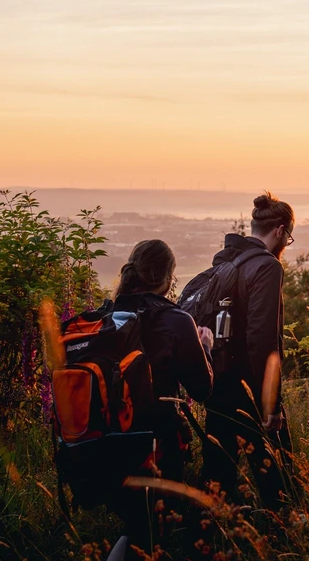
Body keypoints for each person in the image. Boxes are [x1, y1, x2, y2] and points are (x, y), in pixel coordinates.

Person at [107, 239, 214, 558]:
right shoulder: (178, 321)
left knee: (138, 527)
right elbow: (202, 389)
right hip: (157, 448)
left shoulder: (107, 317)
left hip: (107, 444)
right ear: (168, 277)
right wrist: (205, 346)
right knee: (151, 533)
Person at [201, 192, 295, 511]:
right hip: (248, 390)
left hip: (218, 382)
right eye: (289, 237)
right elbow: (262, 340)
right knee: (278, 475)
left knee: (218, 475)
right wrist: (271, 403)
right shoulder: (267, 267)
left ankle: (207, 536)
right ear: (280, 231)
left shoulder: (226, 262)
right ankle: (286, 535)